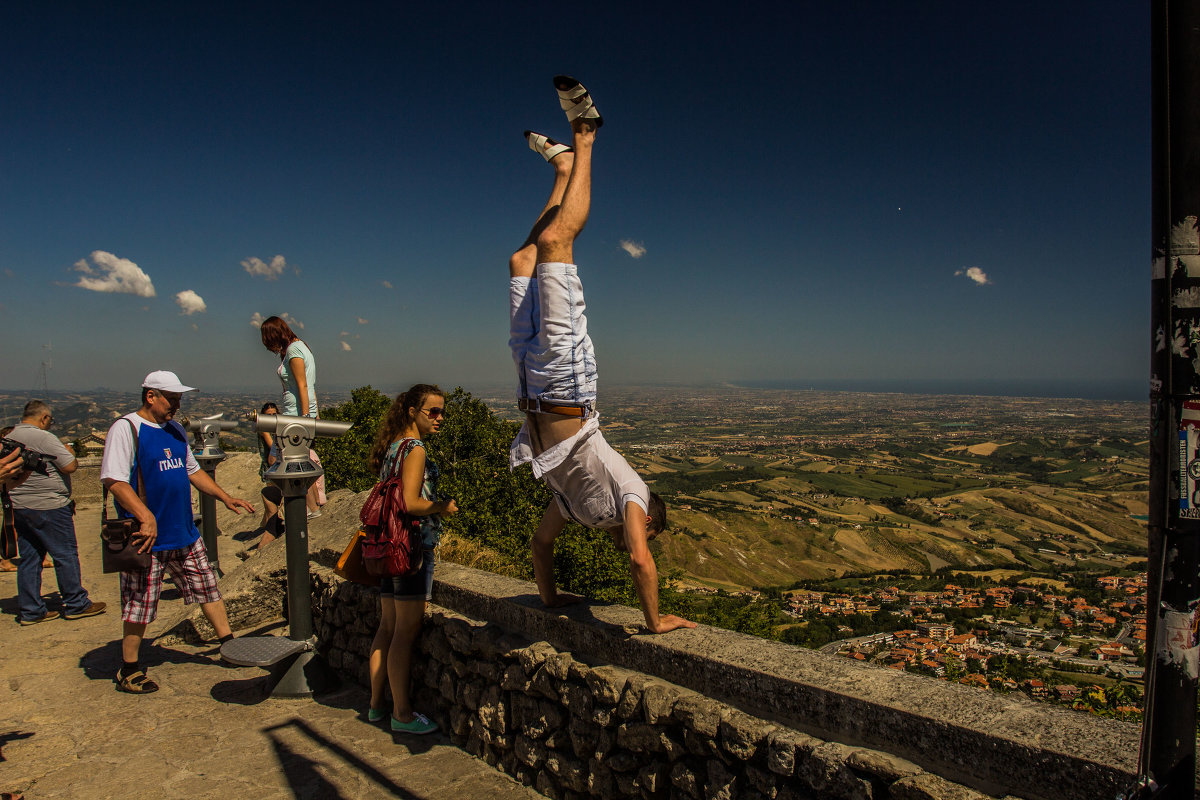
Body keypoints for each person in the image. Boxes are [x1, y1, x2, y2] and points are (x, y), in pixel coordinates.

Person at [508, 76, 694, 635]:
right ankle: (586, 137)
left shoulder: (577, 507)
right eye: (642, 531)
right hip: (565, 383)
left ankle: (563, 172)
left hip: (531, 382)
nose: (631, 539)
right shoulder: (631, 495)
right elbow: (640, 560)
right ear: (650, 523)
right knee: (556, 246)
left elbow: (541, 548)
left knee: (523, 259)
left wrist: (549, 601)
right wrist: (655, 623)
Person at [100, 370, 255, 694]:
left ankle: (228, 644)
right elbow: (114, 480)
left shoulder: (174, 430)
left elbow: (192, 471)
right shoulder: (127, 429)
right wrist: (145, 516)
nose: (176, 405)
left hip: (183, 531)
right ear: (150, 396)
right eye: (171, 399)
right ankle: (128, 668)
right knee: (140, 603)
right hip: (147, 537)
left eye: (179, 399)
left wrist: (224, 496)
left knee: (208, 588)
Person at [366, 384, 458, 735]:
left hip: (388, 545)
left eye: (442, 412)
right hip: (410, 548)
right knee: (404, 632)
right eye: (432, 411)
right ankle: (402, 714)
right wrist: (441, 506)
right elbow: (409, 503)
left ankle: (376, 705)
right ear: (411, 412)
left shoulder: (393, 447)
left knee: (387, 628)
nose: (439, 418)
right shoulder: (415, 449)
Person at [7, 401, 105, 625]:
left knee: (30, 559)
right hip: (49, 506)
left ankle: (31, 610)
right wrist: (69, 452)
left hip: (20, 505)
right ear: (44, 418)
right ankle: (76, 604)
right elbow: (70, 466)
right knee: (65, 555)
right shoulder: (43, 438)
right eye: (50, 420)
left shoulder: (11, 435)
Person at [259, 316, 325, 517]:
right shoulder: (300, 346)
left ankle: (308, 507)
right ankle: (312, 507)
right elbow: (309, 386)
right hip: (299, 412)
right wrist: (315, 415)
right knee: (300, 459)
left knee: (288, 460)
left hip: (295, 414)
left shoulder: (294, 350)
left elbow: (303, 385)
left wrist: (305, 417)